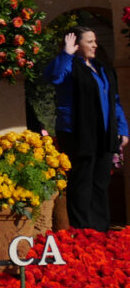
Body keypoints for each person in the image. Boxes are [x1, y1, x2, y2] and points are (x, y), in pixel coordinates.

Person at [46, 27, 130, 231]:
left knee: (100, 182)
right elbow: (54, 76)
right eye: (90, 41)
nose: (95, 45)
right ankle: (82, 230)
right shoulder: (68, 66)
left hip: (104, 133)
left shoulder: (101, 68)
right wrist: (66, 53)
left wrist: (123, 128)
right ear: (76, 44)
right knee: (82, 182)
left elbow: (114, 101)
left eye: (95, 41)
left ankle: (100, 230)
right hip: (77, 133)